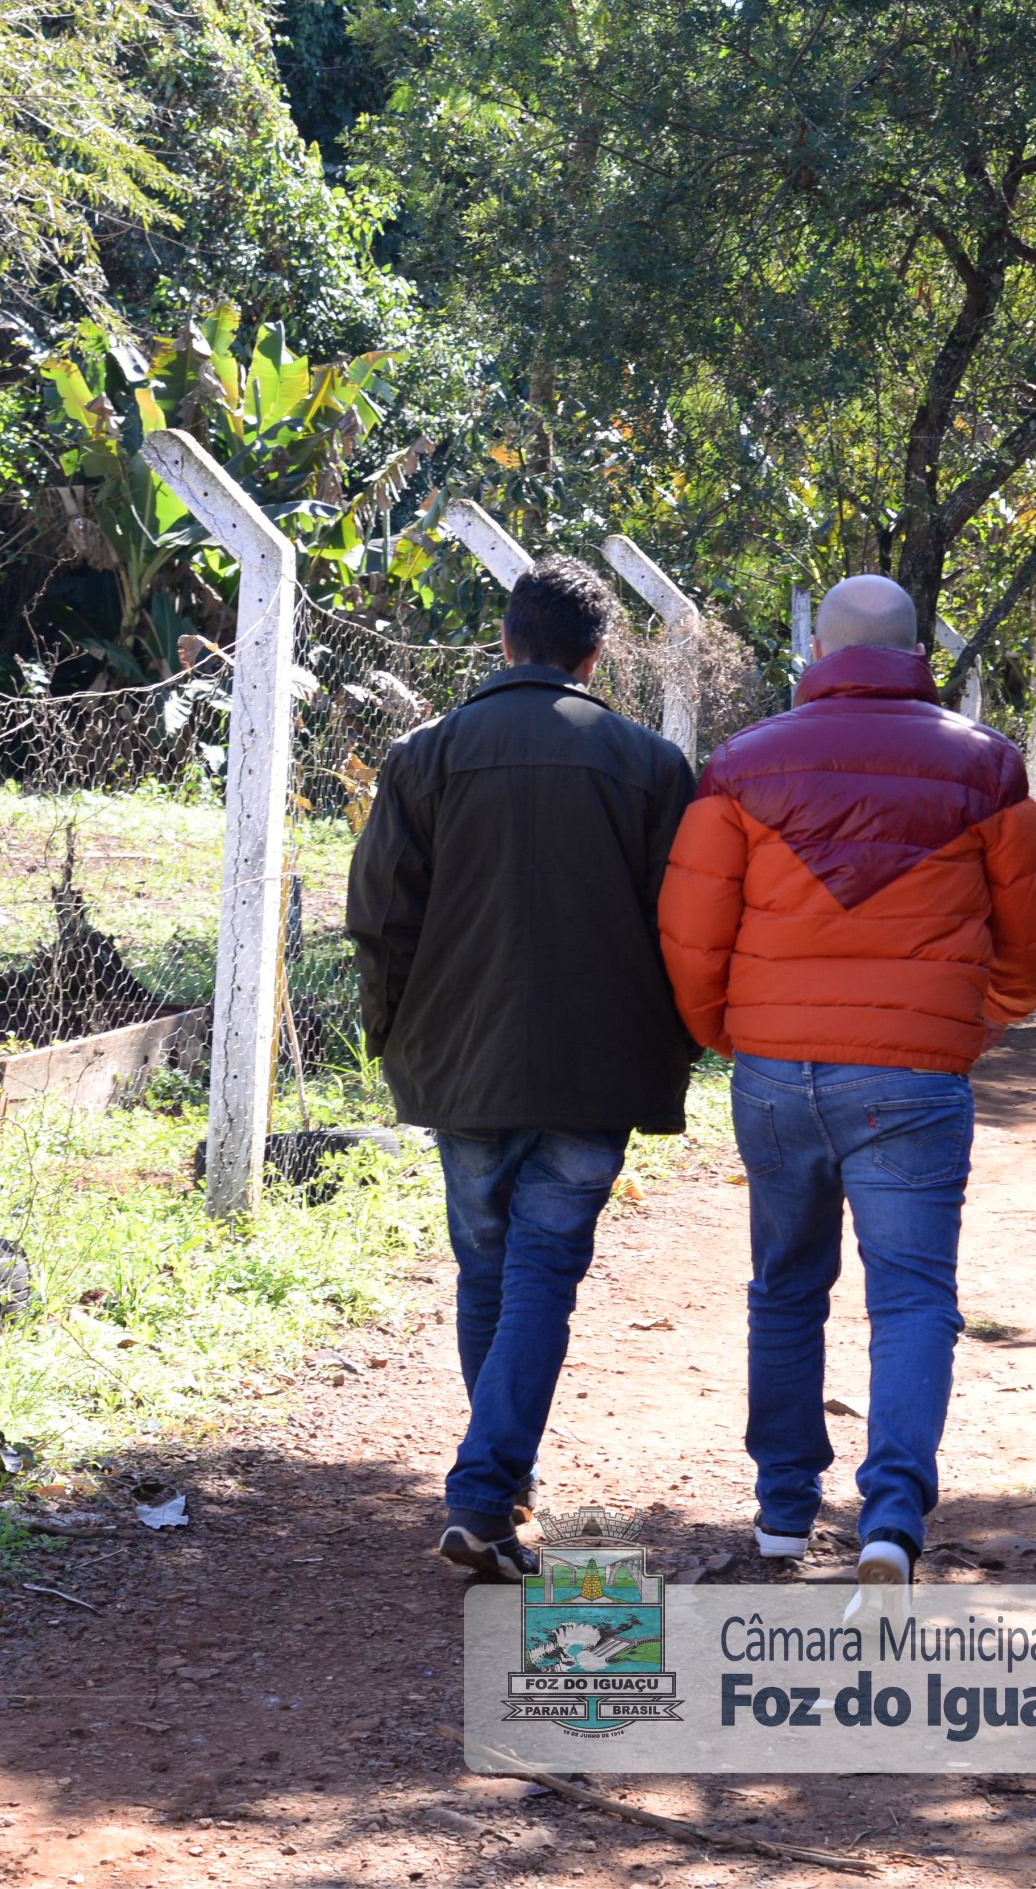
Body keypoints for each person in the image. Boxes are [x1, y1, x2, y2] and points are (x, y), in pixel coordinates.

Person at [657, 575, 1036, 1586]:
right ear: (914, 648)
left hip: (773, 1070)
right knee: (914, 1297)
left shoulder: (743, 764)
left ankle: (782, 1516)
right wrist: (977, 1020)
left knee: (785, 1288)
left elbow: (693, 929)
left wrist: (730, 1030)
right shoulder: (984, 765)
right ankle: (890, 1517)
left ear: (820, 651)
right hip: (915, 1075)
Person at [347, 555, 700, 1580]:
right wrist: (675, 1039)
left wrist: (397, 1037)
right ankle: (486, 1488)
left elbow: (378, 916)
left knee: (488, 1267)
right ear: (595, 656)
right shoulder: (647, 762)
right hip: (596, 1065)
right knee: (541, 1272)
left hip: (459, 1058)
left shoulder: (425, 755)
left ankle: (497, 1483)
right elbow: (683, 922)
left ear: (504, 641)